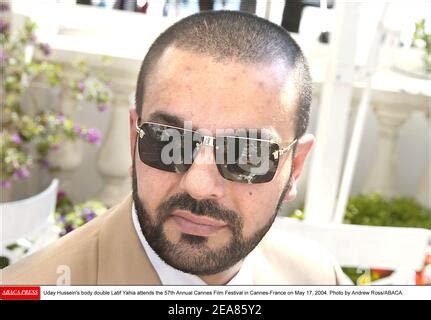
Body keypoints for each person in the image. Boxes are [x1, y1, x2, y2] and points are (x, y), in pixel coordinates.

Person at [1, 11, 349, 285]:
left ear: (295, 166)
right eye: (169, 142)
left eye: (246, 155)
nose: (199, 184)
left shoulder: (318, 278)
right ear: (135, 138)